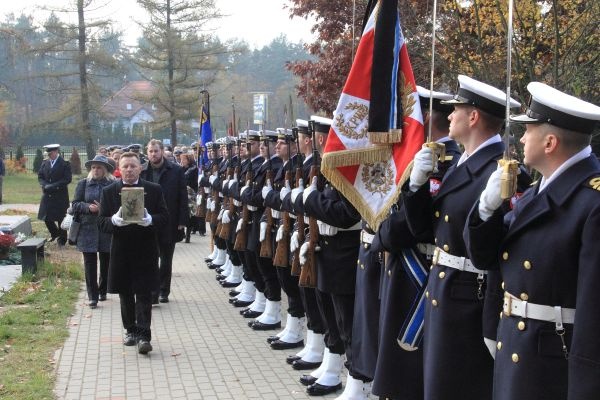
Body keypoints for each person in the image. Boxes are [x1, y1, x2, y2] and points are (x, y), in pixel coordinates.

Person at [466, 83, 600, 400]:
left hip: (554, 363)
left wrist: (586, 389)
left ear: (550, 142)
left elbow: (594, 313)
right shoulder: (540, 190)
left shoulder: (591, 202)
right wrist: (485, 210)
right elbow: (486, 257)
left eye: (528, 130)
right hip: (519, 348)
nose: (522, 138)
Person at [401, 75, 529, 400]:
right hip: (444, 290)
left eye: (457, 109)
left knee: (460, 388)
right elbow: (425, 230)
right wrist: (415, 188)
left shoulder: (503, 172)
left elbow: (499, 252)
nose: (450, 115)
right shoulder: (459, 163)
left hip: (470, 300)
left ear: (473, 117)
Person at [370, 87, 461, 400]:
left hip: (419, 270)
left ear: (422, 118)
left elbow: (416, 225)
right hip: (404, 266)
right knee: (396, 363)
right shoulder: (420, 155)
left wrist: (381, 236)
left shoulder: (449, 162)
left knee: (411, 366)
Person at [98, 152, 168, 355]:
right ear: (119, 169)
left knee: (144, 293)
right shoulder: (110, 191)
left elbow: (164, 216)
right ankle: (130, 330)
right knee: (125, 292)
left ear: (140, 168)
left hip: (145, 248)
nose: (129, 169)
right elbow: (101, 222)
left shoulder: (153, 190)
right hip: (121, 248)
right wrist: (113, 221)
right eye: (125, 166)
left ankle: (144, 335)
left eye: (133, 166)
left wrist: (150, 219)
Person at [140, 139, 188, 303]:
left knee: (166, 259)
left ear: (162, 151)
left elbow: (183, 197)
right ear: (147, 153)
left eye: (156, 151)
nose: (153, 154)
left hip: (169, 220)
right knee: (150, 258)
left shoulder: (175, 170)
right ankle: (152, 291)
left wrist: (182, 221)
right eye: (150, 151)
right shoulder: (142, 170)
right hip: (147, 221)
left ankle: (163, 291)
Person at [71, 155, 115, 308]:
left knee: (106, 261)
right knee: (89, 263)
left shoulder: (112, 184)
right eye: (94, 167)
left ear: (105, 170)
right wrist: (88, 207)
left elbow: (118, 206)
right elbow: (74, 204)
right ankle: (92, 296)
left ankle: (102, 290)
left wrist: (104, 209)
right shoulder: (83, 184)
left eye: (99, 168)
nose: (96, 170)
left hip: (106, 228)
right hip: (87, 228)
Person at [38, 144, 72, 245]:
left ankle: (62, 239)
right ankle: (54, 233)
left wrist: (54, 185)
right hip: (47, 194)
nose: (49, 155)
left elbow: (67, 179)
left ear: (56, 151)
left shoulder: (65, 163)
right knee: (46, 216)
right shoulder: (45, 163)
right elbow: (40, 176)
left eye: (51, 153)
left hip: (60, 194)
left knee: (61, 217)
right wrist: (45, 185)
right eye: (48, 153)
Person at [181, 153, 199, 243]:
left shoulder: (194, 169)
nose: (182, 162)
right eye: (181, 160)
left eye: (183, 160)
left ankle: (188, 235)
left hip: (191, 195)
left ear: (188, 160)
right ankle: (182, 233)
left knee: (190, 215)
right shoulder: (180, 169)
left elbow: (195, 182)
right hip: (182, 194)